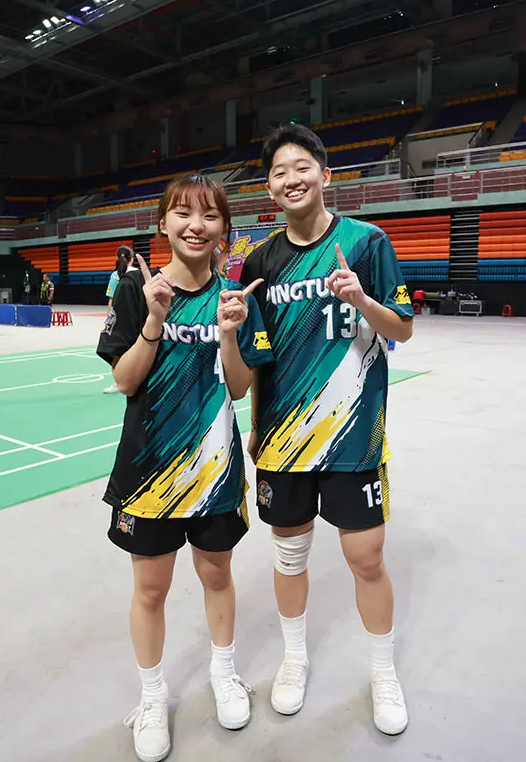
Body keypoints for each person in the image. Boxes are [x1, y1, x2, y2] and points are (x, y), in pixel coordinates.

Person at [239, 125, 414, 735]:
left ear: (325, 175)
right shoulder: (260, 262)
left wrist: (362, 299)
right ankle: (294, 658)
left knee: (366, 557)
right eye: (279, 172)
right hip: (283, 436)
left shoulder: (366, 242)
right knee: (289, 554)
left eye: (302, 167)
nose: (292, 179)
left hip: (354, 433)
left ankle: (383, 672)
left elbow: (402, 328)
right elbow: (259, 356)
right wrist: (256, 426)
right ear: (269, 188)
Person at [98, 174, 274, 762]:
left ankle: (224, 673)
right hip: (148, 472)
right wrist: (153, 321)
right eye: (183, 213)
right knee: (150, 588)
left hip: (215, 469)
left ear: (224, 228)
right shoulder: (136, 288)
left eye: (209, 215)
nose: (196, 225)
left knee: (217, 575)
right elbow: (125, 381)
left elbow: (241, 386)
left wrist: (230, 335)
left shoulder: (236, 296)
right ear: (163, 224)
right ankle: (152, 697)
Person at [105, 246, 136, 394]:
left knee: (117, 352)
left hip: (119, 319)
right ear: (132, 258)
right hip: (136, 317)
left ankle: (118, 383)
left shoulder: (115, 275)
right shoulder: (138, 273)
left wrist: (108, 321)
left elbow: (111, 300)